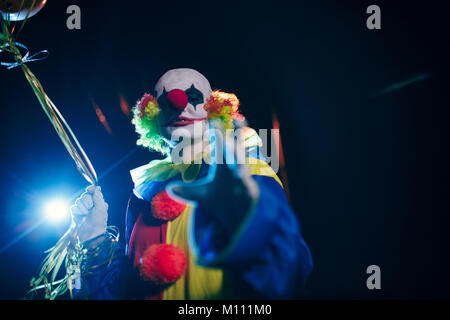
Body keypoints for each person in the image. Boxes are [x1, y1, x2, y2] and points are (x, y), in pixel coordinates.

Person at [70, 68, 313, 299]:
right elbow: (121, 292)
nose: (178, 102)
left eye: (194, 96)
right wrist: (94, 239)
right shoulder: (144, 193)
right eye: (166, 101)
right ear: (153, 118)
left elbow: (291, 276)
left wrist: (252, 227)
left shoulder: (248, 175)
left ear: (215, 111)